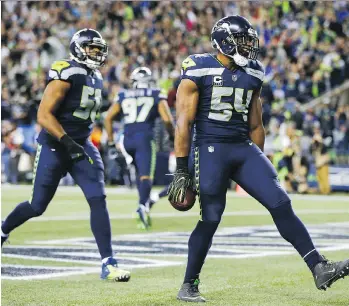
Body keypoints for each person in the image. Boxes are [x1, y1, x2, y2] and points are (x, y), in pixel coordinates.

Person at [168, 16, 349, 303]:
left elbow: (256, 124)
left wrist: (258, 160)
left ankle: (319, 267)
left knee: (281, 202)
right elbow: (183, 123)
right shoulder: (198, 66)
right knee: (211, 218)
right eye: (242, 42)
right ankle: (189, 284)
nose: (248, 47)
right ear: (223, 41)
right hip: (210, 148)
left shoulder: (253, 70)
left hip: (242, 147)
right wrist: (181, 169)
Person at [1, 29, 130, 282]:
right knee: (37, 206)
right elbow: (44, 115)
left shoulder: (96, 77)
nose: (97, 54)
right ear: (78, 49)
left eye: (98, 49)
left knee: (98, 197)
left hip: (82, 144)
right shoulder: (65, 72)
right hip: (55, 145)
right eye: (92, 49)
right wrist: (67, 142)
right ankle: (3, 230)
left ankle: (108, 262)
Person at [104, 67, 175, 229]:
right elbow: (167, 120)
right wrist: (172, 137)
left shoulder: (123, 95)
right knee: (145, 177)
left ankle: (143, 204)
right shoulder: (156, 93)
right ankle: (143, 207)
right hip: (144, 138)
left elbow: (108, 118)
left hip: (126, 139)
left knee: (139, 175)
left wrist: (110, 142)